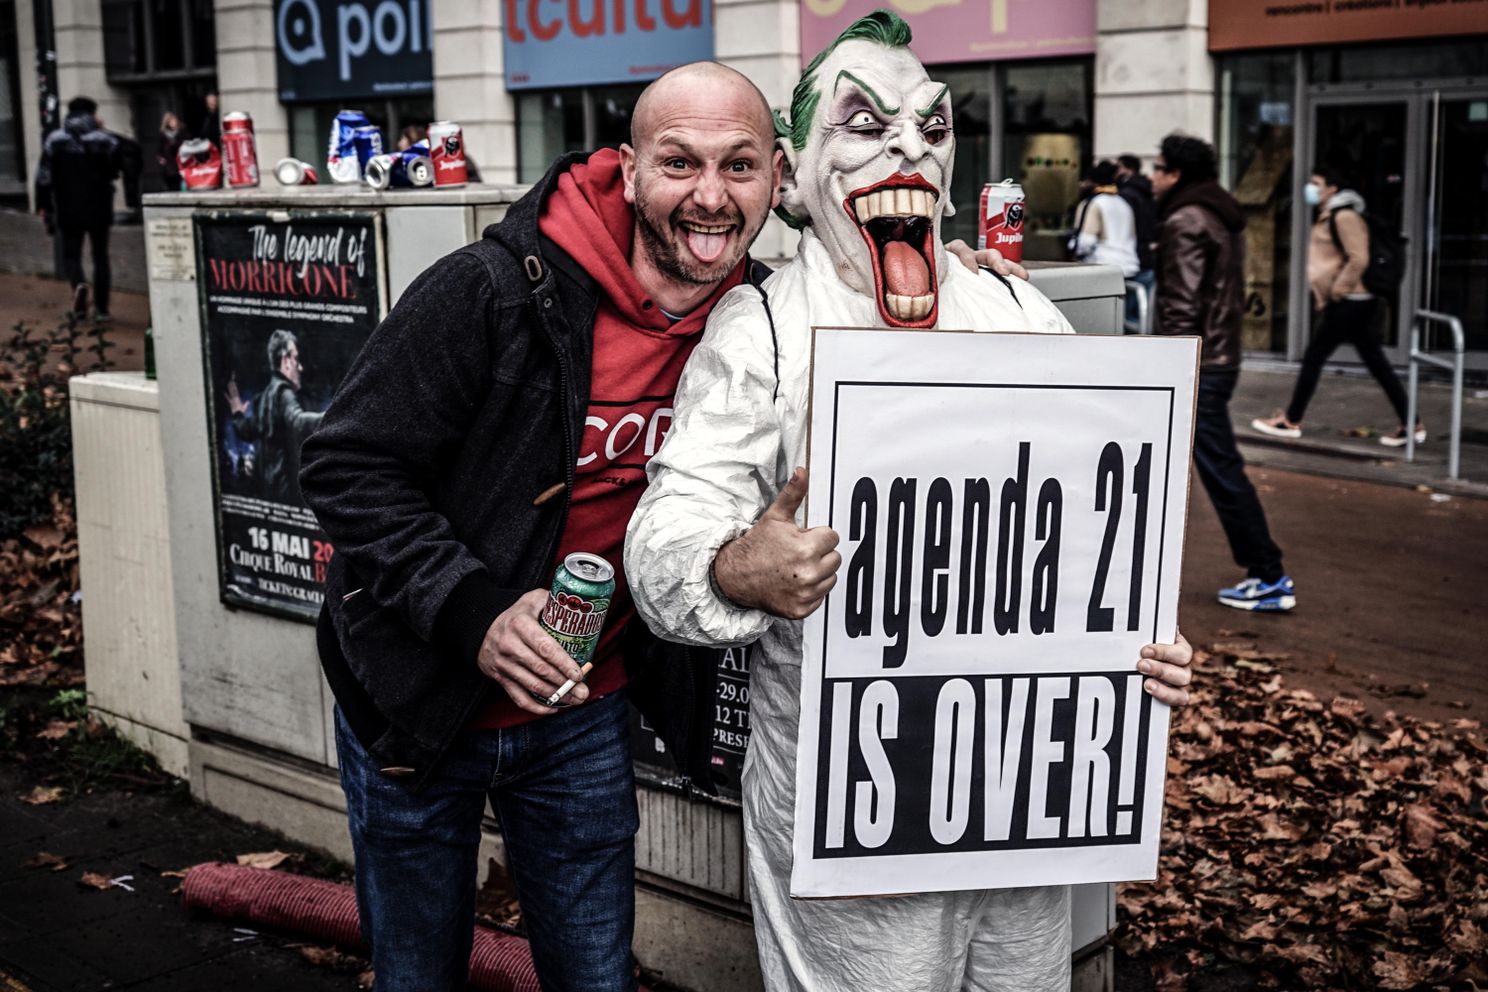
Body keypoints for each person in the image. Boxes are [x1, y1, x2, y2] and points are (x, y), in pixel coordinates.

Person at [626, 16, 1197, 991]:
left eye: (931, 128)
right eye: (865, 123)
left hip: (1023, 792)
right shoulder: (763, 329)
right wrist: (734, 566)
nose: (909, 147)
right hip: (858, 803)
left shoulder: (1016, 309)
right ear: (799, 179)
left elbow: (1111, 514)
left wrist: (1144, 644)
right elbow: (663, 538)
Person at [1151, 133, 1294, 612]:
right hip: (1221, 357)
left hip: (1196, 363)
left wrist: (1173, 362)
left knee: (1219, 469)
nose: (1152, 178)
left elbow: (1182, 302)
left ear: (1175, 173)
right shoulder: (1220, 212)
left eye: (1158, 168)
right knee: (1201, 465)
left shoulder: (1186, 217)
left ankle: (1269, 574)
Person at [1251, 164, 1422, 447]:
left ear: (1332, 188)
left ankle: (1291, 420)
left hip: (1350, 302)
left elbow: (1359, 258)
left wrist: (1337, 291)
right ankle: (1411, 422)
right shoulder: (1332, 215)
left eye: (1316, 183)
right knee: (1376, 363)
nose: (1311, 188)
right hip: (1353, 302)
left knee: (1314, 358)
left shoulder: (1344, 216)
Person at [34, 96, 128, 323]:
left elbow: (43, 177)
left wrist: (43, 205)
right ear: (93, 113)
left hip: (68, 207)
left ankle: (79, 292)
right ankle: (103, 309)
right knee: (100, 257)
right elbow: (120, 165)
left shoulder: (55, 140)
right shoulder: (105, 140)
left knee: (72, 256)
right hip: (99, 206)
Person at [226, 330, 325, 504]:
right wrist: (334, 416)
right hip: (286, 490)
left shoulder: (265, 396)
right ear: (286, 361)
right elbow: (298, 421)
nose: (300, 367)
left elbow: (247, 430)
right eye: (296, 359)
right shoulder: (284, 393)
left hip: (267, 489)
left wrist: (237, 413)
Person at [1068, 159, 1140, 279]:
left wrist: (1073, 249)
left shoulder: (1093, 203)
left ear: (1092, 182)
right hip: (1129, 266)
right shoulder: (1124, 203)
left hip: (1103, 267)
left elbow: (1086, 241)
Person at [1116, 153, 1158, 325]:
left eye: (1119, 167)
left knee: (1126, 316)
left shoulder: (1126, 194)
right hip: (1149, 253)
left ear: (1127, 169)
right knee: (1143, 314)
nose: (1116, 171)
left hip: (1134, 255)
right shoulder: (1150, 191)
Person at [158, 111, 185, 190]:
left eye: (175, 121)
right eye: (171, 121)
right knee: (171, 186)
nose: (174, 123)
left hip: (181, 163)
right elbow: (160, 150)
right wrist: (161, 159)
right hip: (169, 166)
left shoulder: (182, 132)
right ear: (167, 123)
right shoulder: (163, 135)